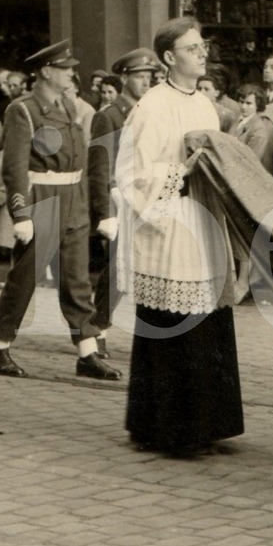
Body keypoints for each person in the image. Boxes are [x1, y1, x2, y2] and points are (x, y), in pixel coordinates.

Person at [114, 18, 243, 456]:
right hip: (168, 224)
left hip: (203, 221)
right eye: (192, 48)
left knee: (207, 318)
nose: (202, 53)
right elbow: (130, 173)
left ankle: (209, 422)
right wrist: (177, 173)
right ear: (169, 58)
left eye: (202, 45)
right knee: (173, 324)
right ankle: (168, 428)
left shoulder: (205, 105)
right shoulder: (152, 106)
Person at [0, 40, 121, 382]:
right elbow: (14, 167)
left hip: (72, 197)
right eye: (66, 69)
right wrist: (20, 214)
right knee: (25, 278)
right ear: (46, 72)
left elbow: (82, 158)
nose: (72, 74)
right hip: (42, 197)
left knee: (76, 279)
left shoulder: (71, 106)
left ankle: (87, 351)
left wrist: (92, 204)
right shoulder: (24, 110)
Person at [88, 48, 160, 355]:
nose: (145, 83)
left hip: (145, 198)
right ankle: (97, 327)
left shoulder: (149, 112)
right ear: (125, 78)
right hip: (120, 201)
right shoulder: (109, 116)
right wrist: (105, 211)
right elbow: (101, 166)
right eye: (139, 77)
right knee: (116, 271)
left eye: (149, 77)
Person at [232, 84, 273, 174]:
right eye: (241, 102)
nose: (243, 106)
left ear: (258, 105)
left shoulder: (258, 129)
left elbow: (251, 161)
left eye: (248, 103)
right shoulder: (236, 120)